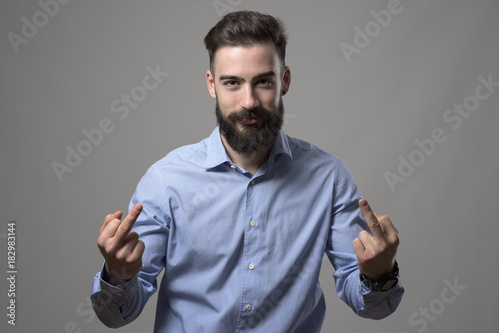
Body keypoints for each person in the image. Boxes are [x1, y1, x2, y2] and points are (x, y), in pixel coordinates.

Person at [91, 10, 404, 332]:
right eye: (232, 83)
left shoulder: (329, 178)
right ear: (212, 85)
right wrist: (116, 275)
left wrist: (380, 275)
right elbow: (116, 315)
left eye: (263, 82)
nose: (249, 101)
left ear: (284, 81)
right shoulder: (166, 181)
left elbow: (374, 308)